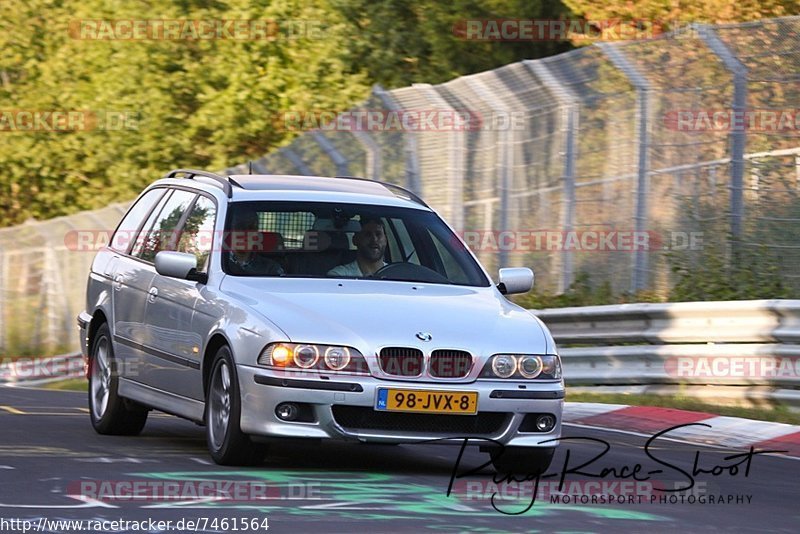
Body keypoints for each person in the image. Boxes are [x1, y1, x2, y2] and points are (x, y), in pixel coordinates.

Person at [225, 209, 285, 276]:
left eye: (251, 228)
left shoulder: (271, 268)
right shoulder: (217, 264)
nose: (246, 233)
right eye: (240, 227)